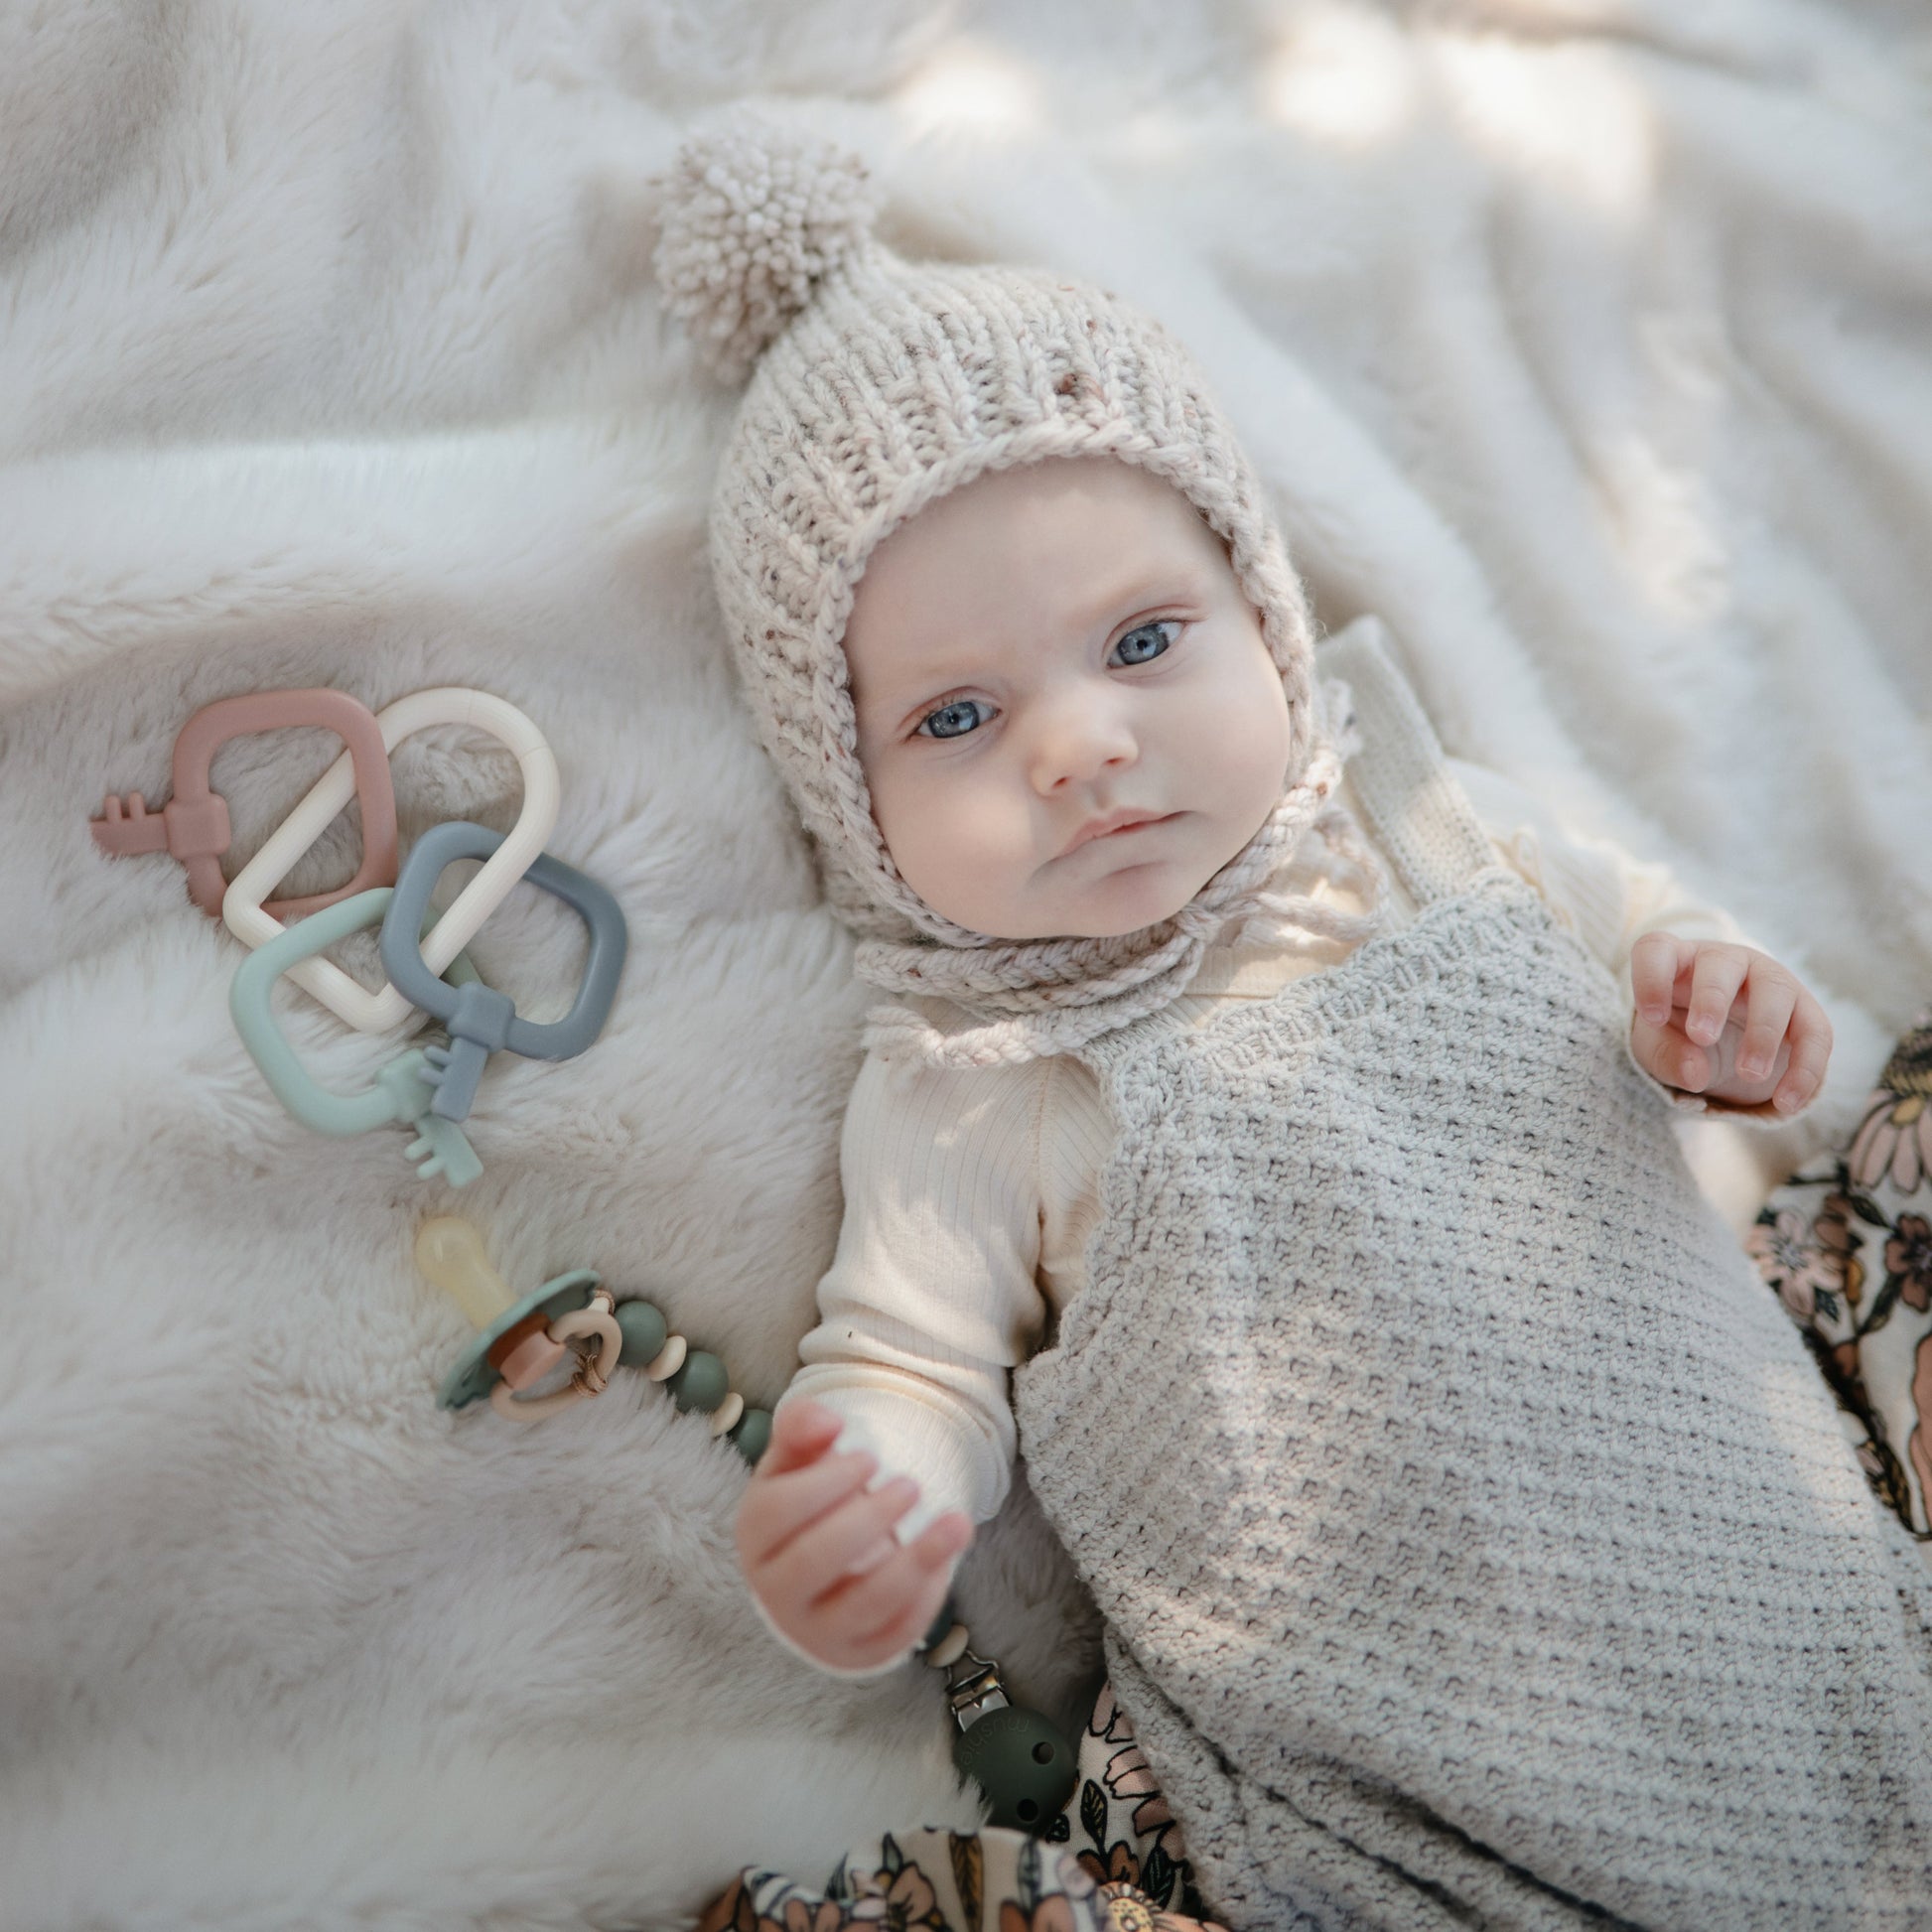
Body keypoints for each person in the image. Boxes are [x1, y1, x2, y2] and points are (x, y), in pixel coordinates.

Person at [655, 118, 1932, 1929]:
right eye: (954, 718)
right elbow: (911, 1360)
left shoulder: (1431, 828)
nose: (1078, 745)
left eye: (1141, 641)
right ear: (845, 809)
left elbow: (1664, 944)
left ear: (1262, 611)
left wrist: (1717, 1010)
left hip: (1792, 1594)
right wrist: (871, 1497)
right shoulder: (976, 1081)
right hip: (1405, 1798)